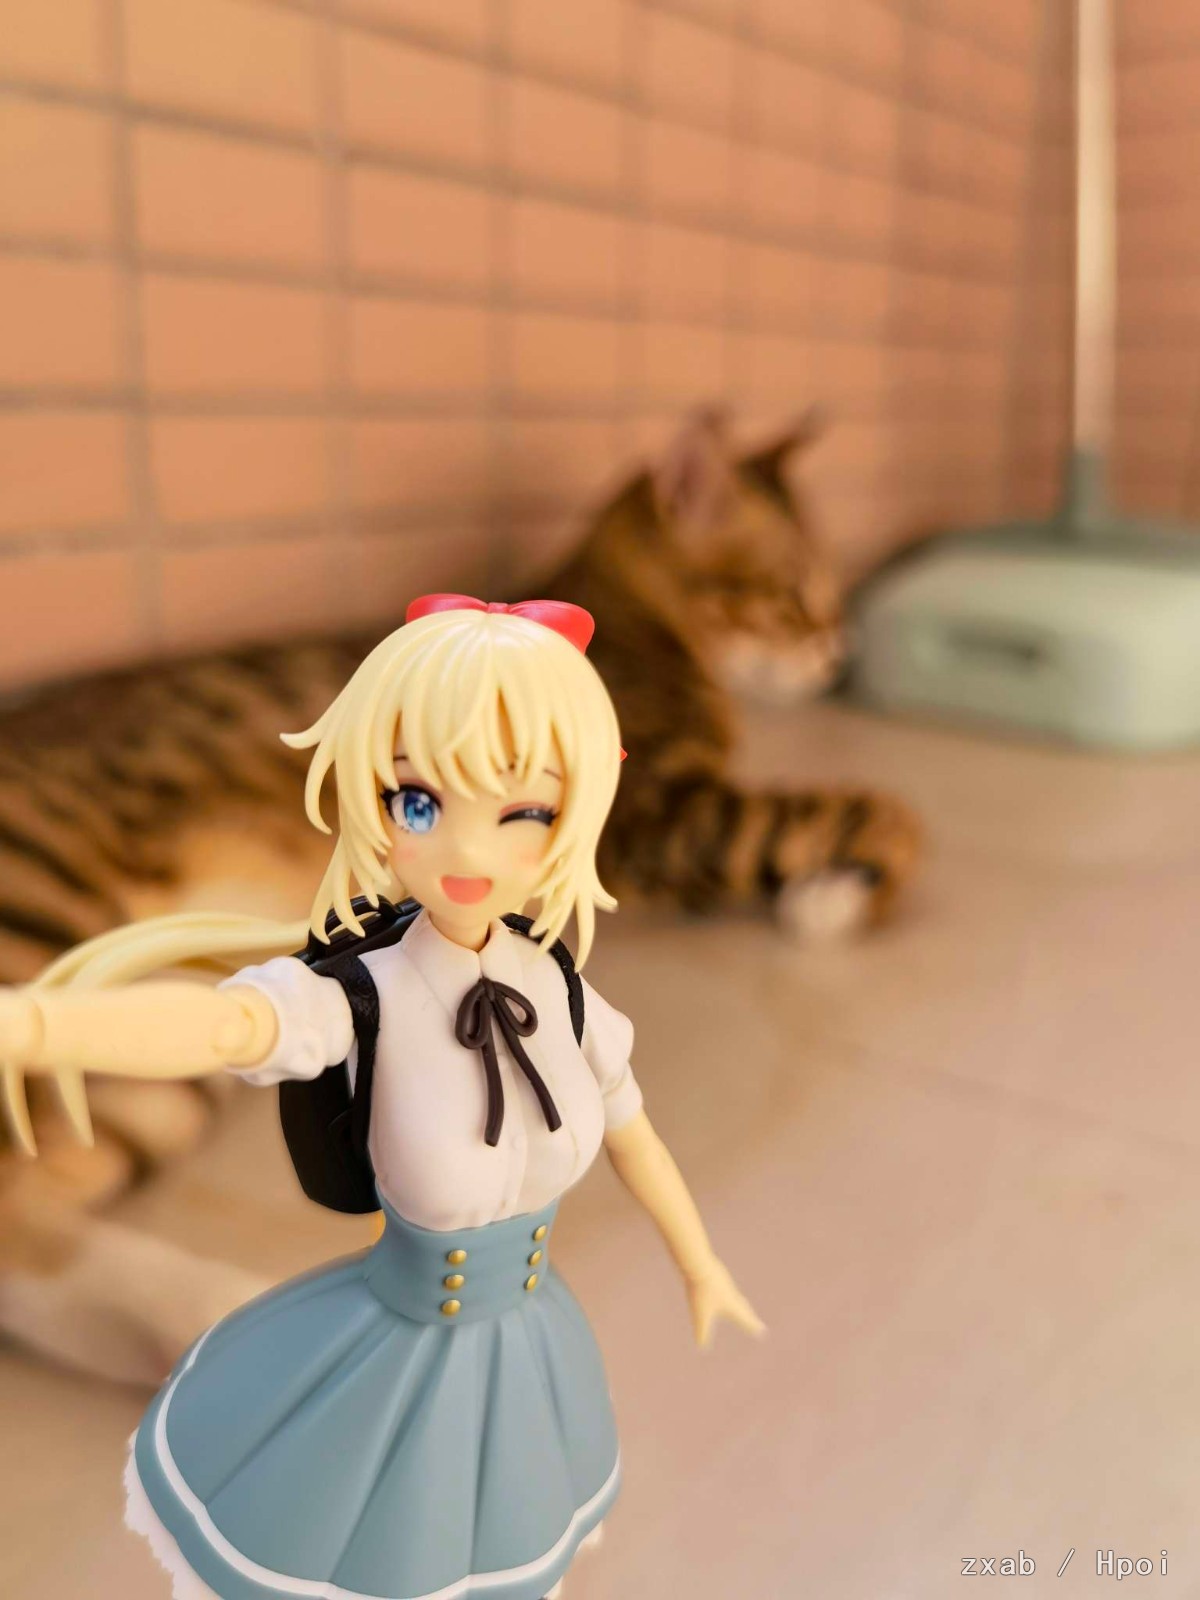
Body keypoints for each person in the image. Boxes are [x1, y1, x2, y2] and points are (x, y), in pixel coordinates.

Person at [0, 595, 764, 1600]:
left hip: (520, 1327)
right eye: (418, 804)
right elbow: (225, 1027)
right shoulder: (361, 991)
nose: (469, 852)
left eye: (526, 813)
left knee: (498, 1510)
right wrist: (36, 1025)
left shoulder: (560, 996)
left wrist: (699, 1262)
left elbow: (634, 1133)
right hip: (401, 1308)